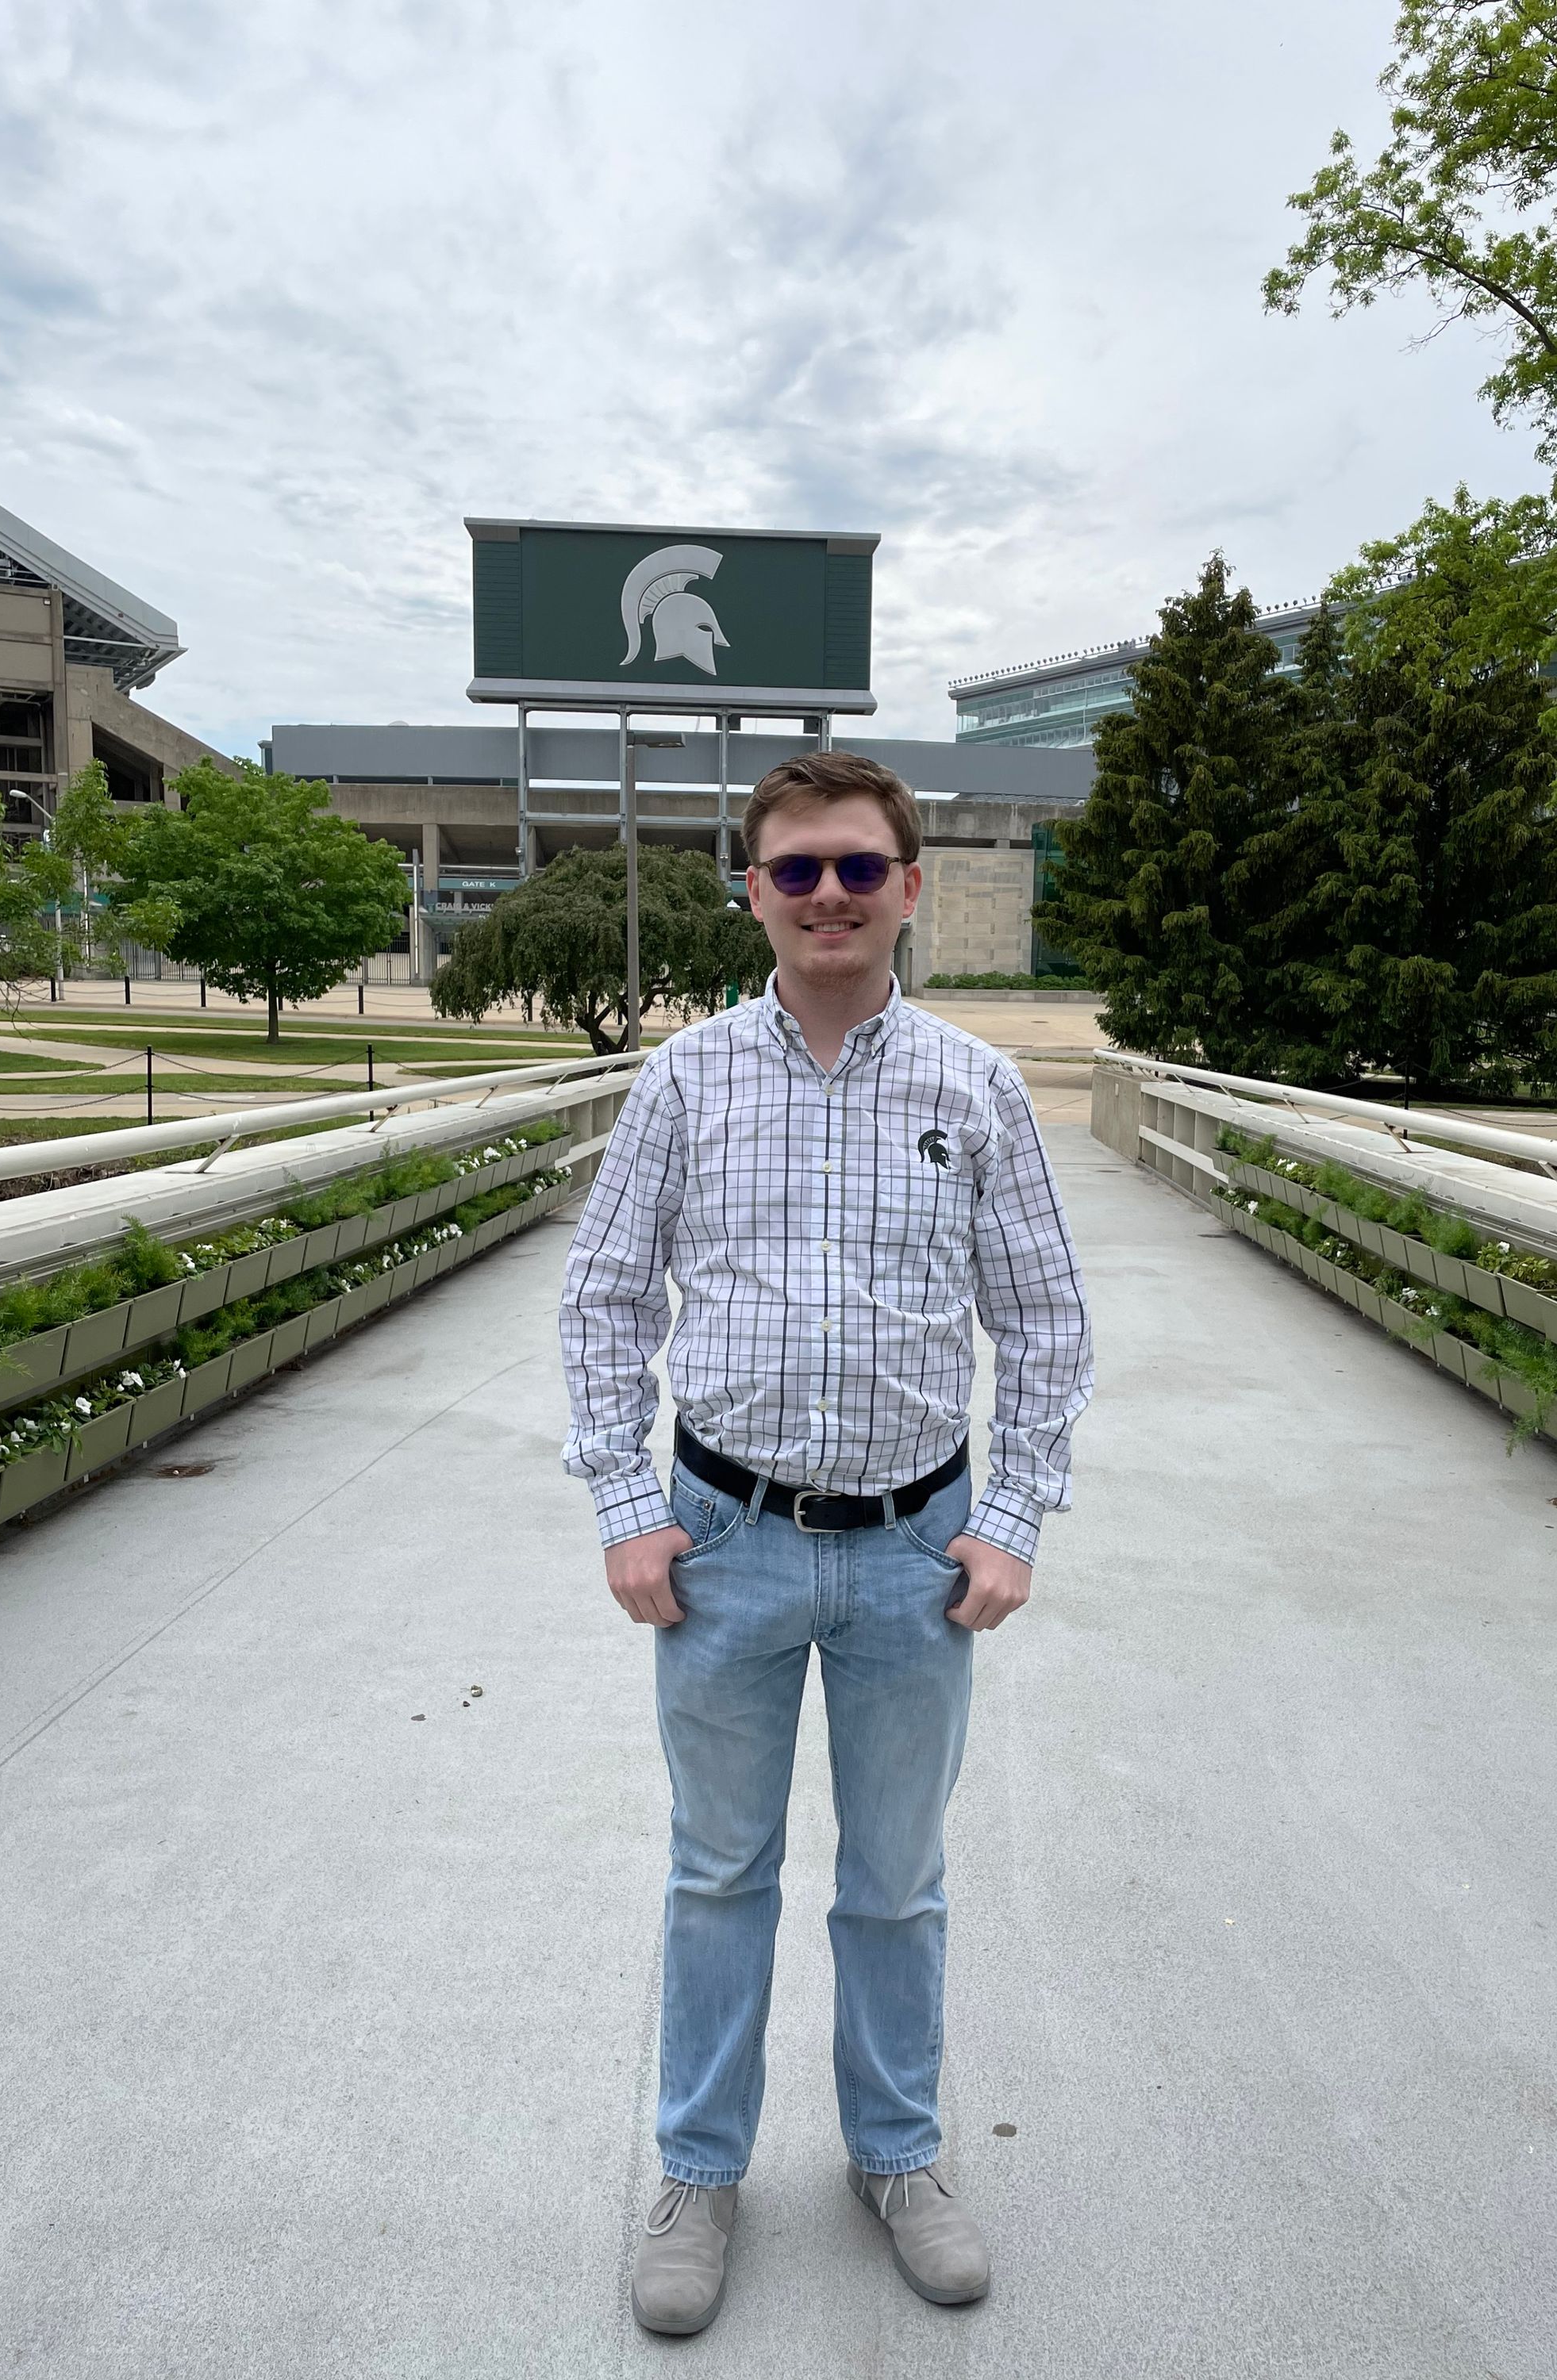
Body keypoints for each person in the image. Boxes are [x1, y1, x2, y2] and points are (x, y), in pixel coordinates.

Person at [559, 750, 1094, 2336]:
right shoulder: (682, 1083)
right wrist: (623, 1507)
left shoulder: (973, 1089)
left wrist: (1008, 1520)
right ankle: (697, 2173)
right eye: (795, 870)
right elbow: (601, 1300)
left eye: (858, 866)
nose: (829, 895)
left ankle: (900, 2155)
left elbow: (1047, 1321)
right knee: (717, 1874)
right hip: (720, 1541)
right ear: (754, 894)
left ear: (908, 888)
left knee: (896, 1883)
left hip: (908, 1558)